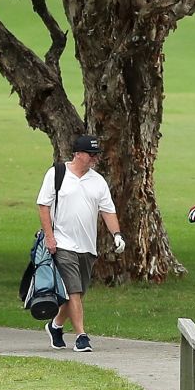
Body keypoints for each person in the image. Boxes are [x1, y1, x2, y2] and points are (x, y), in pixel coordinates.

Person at [37, 134, 123, 351]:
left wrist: (117, 235)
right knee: (74, 291)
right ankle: (81, 337)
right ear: (77, 154)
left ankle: (56, 326)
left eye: (96, 155)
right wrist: (50, 236)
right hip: (63, 243)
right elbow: (43, 206)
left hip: (87, 246)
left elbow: (108, 211)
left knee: (76, 292)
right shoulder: (56, 174)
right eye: (90, 154)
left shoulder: (98, 181)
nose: (94, 159)